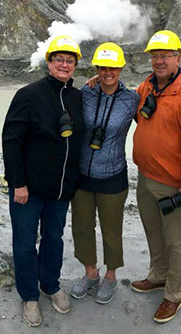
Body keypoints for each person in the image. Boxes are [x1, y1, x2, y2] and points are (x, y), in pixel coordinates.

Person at [2, 35, 84, 327]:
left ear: (75, 65)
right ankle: (29, 295)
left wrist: (73, 181)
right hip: (28, 189)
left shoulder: (77, 97)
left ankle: (49, 284)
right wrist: (18, 182)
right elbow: (11, 141)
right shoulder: (28, 95)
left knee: (54, 239)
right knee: (25, 242)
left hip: (60, 189)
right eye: (59, 59)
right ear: (49, 62)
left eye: (70, 60)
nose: (64, 64)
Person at [130, 29, 181, 324]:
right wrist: (96, 84)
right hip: (145, 178)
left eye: (165, 55)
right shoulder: (147, 88)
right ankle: (158, 276)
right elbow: (129, 106)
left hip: (174, 184)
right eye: (154, 56)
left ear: (178, 57)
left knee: (176, 241)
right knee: (154, 232)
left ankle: (174, 293)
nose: (159, 61)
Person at [69, 43, 139, 305]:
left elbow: (155, 117)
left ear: (121, 68)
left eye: (113, 67)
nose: (108, 72)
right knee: (82, 228)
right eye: (103, 67)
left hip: (114, 176)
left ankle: (110, 277)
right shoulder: (84, 93)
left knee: (112, 231)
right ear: (96, 69)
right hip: (83, 176)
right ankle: (91, 273)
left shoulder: (132, 98)